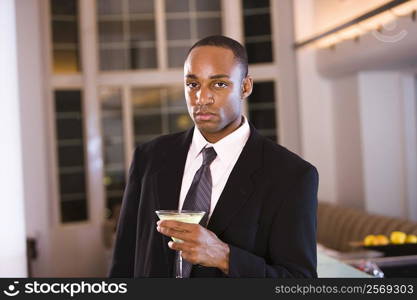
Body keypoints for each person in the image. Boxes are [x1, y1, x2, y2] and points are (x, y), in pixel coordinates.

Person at [109, 35, 318, 278]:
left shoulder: (291, 175)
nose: (201, 98)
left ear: (245, 87)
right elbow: (124, 259)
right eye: (193, 85)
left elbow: (299, 281)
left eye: (218, 84)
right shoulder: (149, 157)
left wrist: (224, 257)